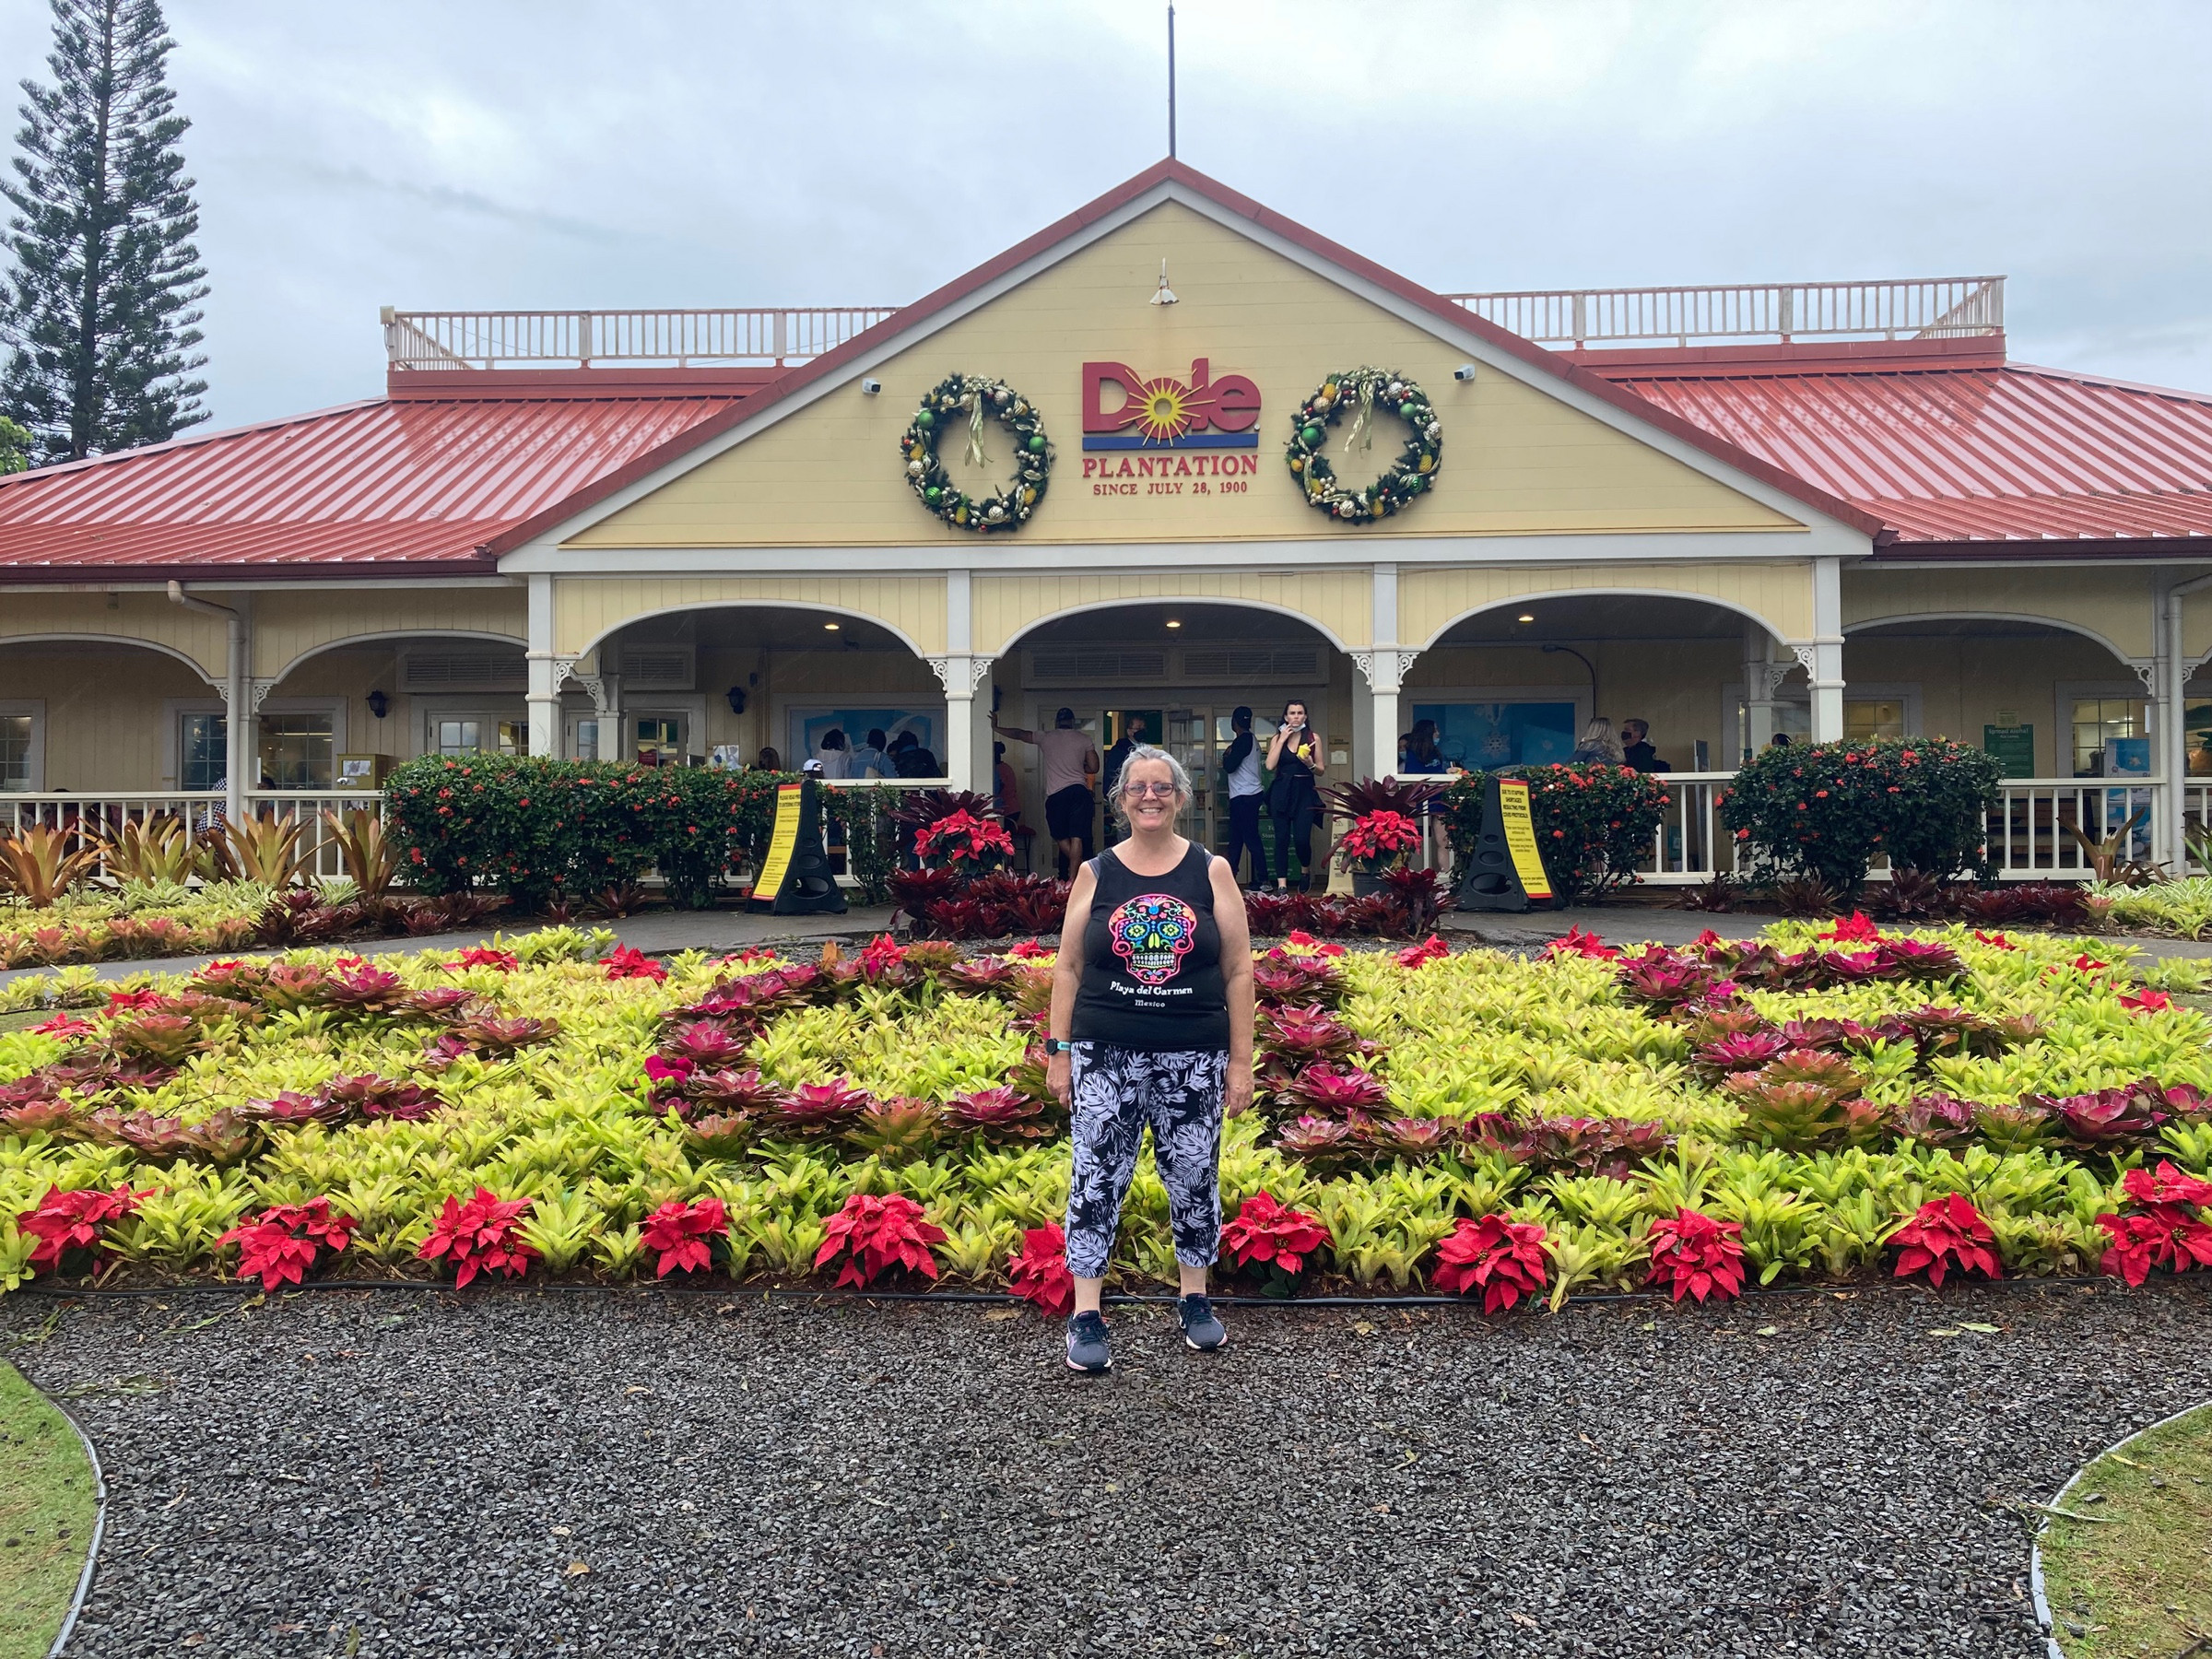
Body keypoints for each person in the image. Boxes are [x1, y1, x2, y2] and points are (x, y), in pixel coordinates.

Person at [1047, 745, 1254, 1373]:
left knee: (1193, 1175)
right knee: (1096, 1177)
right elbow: (1068, 966)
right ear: (1120, 800)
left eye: (1162, 786)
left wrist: (1240, 1062)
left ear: (1180, 797)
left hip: (1192, 1055)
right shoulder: (1098, 872)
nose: (1149, 796)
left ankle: (1194, 1299)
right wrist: (1058, 1054)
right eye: (1137, 787)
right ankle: (1086, 1313)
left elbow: (1240, 968)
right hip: (1105, 1052)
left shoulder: (1211, 870)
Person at [994, 707, 1100, 879]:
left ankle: (1079, 870)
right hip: (1079, 792)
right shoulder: (1084, 739)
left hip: (1057, 795)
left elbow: (1019, 733)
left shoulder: (1046, 737)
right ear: (1072, 722)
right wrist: (1080, 766)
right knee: (1078, 837)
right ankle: (1075, 880)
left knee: (1059, 836)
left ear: (1057, 722)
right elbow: (1094, 767)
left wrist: (996, 728)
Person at [1265, 698, 1324, 892]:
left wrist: (1310, 764)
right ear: (1285, 716)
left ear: (1305, 716)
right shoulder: (1276, 738)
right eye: (1292, 713)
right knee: (1280, 838)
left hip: (1305, 791)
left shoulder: (1313, 738)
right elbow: (1269, 765)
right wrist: (1281, 739)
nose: (1296, 717)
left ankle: (1305, 871)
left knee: (1301, 839)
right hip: (1282, 791)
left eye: (1299, 713)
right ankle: (1281, 884)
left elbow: (1321, 769)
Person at [1218, 705, 1267, 889]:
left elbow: (1230, 767)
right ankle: (1232, 876)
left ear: (1235, 723)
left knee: (1249, 838)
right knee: (1237, 839)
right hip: (1250, 795)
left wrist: (1226, 755)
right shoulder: (1252, 740)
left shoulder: (1242, 741)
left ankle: (1263, 880)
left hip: (1244, 796)